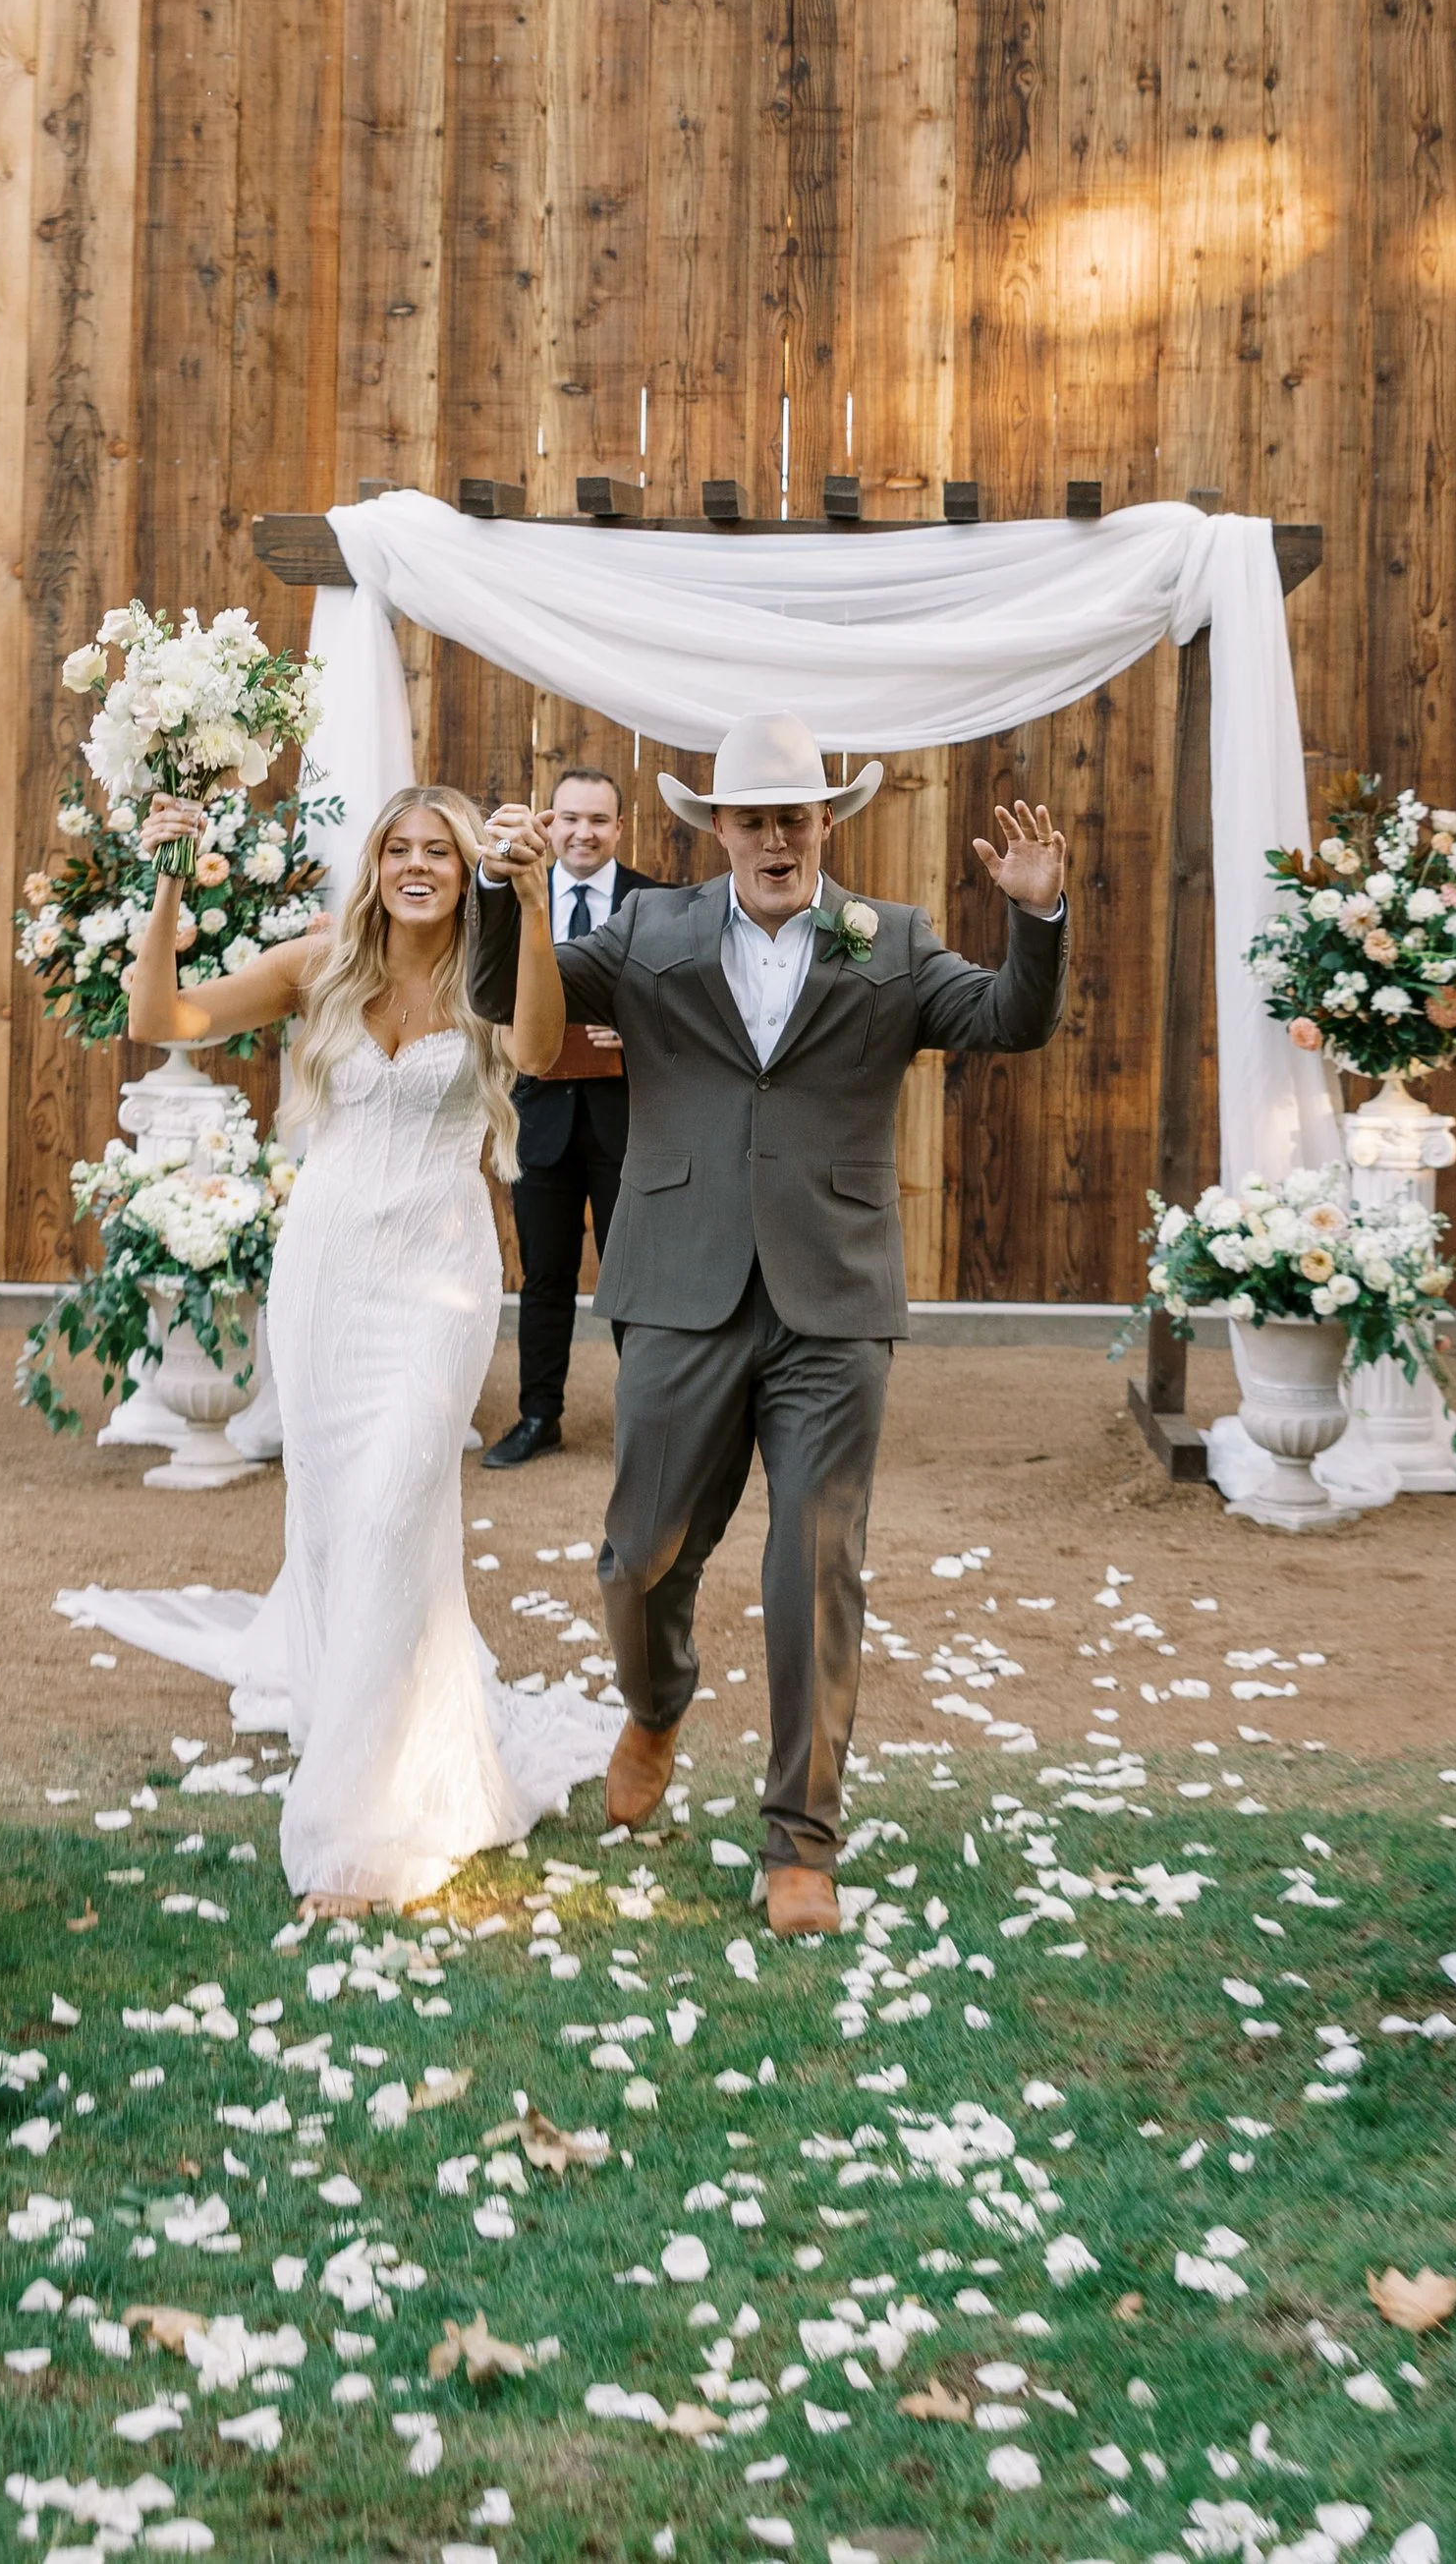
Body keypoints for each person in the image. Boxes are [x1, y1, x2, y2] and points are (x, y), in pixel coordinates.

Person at [469, 710, 1071, 1938]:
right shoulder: (647, 929)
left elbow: (1009, 1018)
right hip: (677, 1283)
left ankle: (799, 1841)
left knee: (814, 1562)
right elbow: (501, 995)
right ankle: (656, 1700)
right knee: (638, 1555)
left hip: (833, 1301)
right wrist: (498, 888)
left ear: (826, 823)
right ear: (720, 831)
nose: (777, 836)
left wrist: (1037, 915)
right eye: (754, 818)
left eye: (797, 815)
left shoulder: (891, 942)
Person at [55, 782, 620, 1910]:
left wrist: (530, 899)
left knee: (397, 1499)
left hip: (440, 1277)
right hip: (323, 1275)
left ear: (465, 870)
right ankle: (367, 1710)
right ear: (375, 863)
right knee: (333, 1515)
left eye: (439, 852)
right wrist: (166, 888)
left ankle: (357, 1824)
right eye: (398, 848)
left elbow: (547, 1050)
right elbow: (161, 1017)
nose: (417, 865)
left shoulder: (492, 967)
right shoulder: (318, 961)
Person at [490, 767, 658, 1472]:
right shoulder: (513, 899)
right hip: (539, 1117)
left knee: (638, 1280)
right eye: (569, 819)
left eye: (598, 820)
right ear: (548, 824)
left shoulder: (656, 905)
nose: (583, 832)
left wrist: (644, 1029)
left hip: (631, 1123)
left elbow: (691, 1000)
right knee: (545, 1277)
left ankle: (650, 1426)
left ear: (620, 828)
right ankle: (538, 1416)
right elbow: (488, 989)